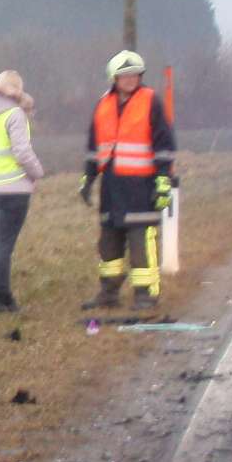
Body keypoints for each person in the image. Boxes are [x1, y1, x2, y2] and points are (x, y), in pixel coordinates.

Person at [80, 50, 178, 311]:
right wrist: (88, 179)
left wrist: (163, 181)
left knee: (140, 245)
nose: (130, 79)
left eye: (135, 75)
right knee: (108, 246)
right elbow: (93, 147)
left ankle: (145, 295)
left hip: (141, 190)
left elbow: (164, 146)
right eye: (124, 75)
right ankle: (108, 293)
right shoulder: (103, 105)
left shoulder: (151, 101)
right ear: (114, 78)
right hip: (112, 190)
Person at [0, 69, 45, 312]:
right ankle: (5, 298)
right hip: (13, 190)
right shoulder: (15, 114)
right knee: (4, 246)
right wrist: (37, 173)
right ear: (18, 91)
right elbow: (22, 152)